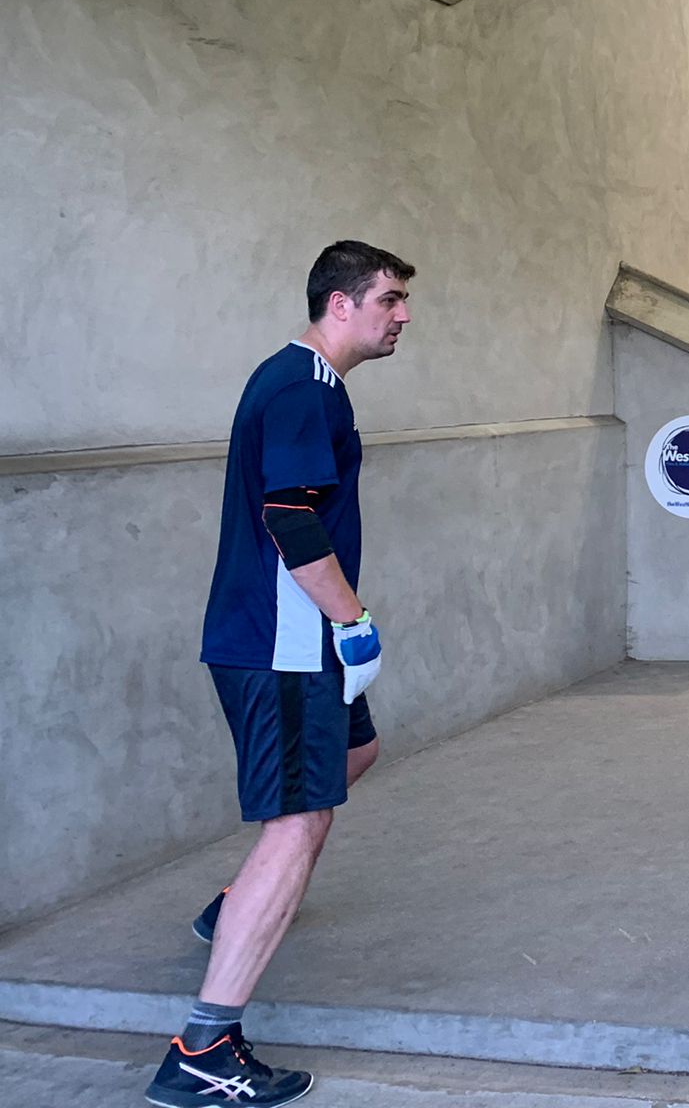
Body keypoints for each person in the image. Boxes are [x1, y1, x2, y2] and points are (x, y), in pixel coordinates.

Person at [146, 242, 412, 1108]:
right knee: (299, 824)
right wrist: (352, 620)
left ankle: (232, 908)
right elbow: (290, 515)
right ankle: (203, 1047)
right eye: (390, 299)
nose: (402, 315)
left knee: (356, 755)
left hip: (290, 644)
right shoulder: (302, 385)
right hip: (284, 647)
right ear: (340, 304)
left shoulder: (302, 381)